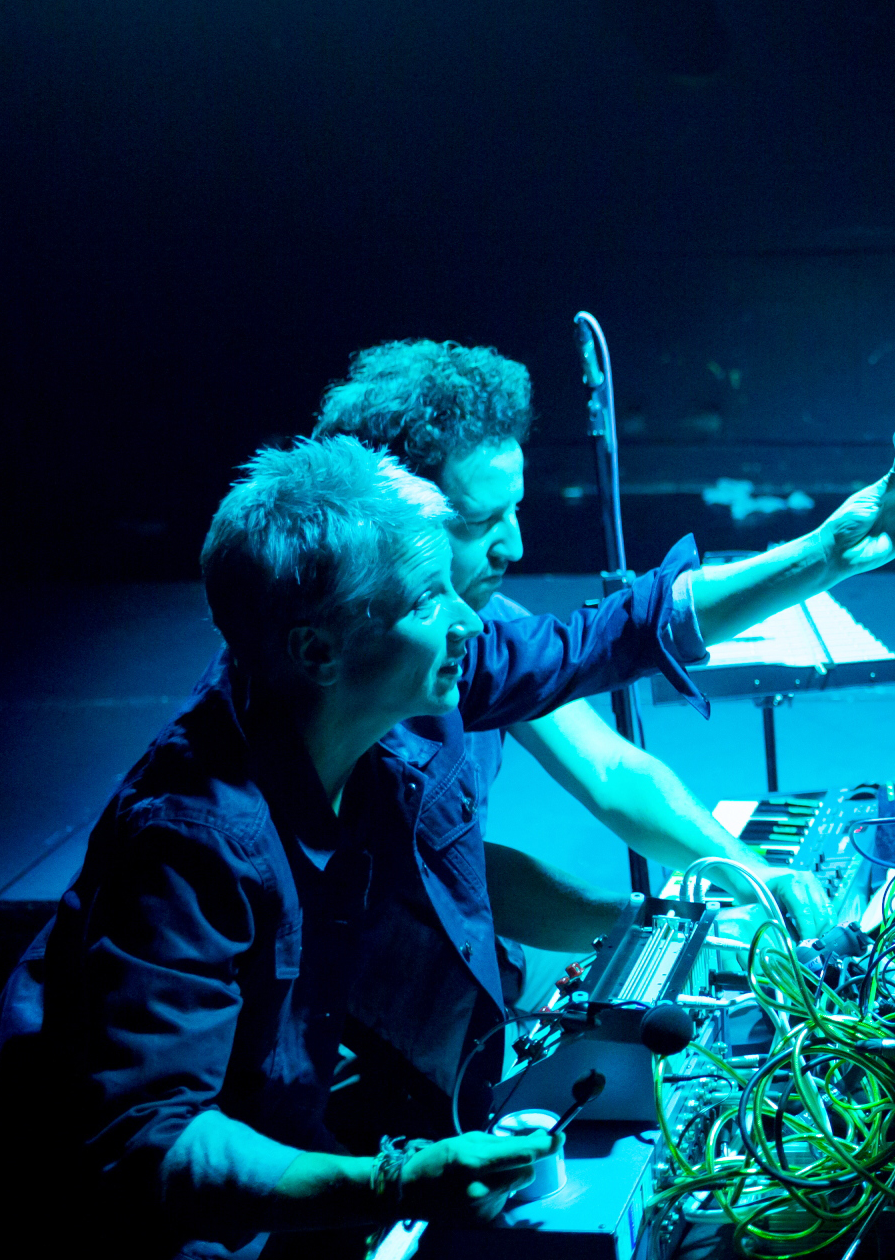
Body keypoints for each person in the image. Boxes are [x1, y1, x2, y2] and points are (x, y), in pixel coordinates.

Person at [0, 435, 895, 1260]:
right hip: (83, 1236)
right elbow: (155, 1147)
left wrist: (832, 548)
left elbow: (605, 638)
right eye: (428, 597)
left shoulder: (372, 687)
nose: (469, 619)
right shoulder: (190, 840)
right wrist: (399, 1180)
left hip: (245, 1168)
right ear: (319, 649)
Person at [314, 339, 831, 942]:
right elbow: (446, 874)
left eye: (515, 510)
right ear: (392, 525)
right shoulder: (343, 680)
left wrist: (751, 874)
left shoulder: (487, 621)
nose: (515, 547)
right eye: (479, 522)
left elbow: (609, 768)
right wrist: (670, 930)